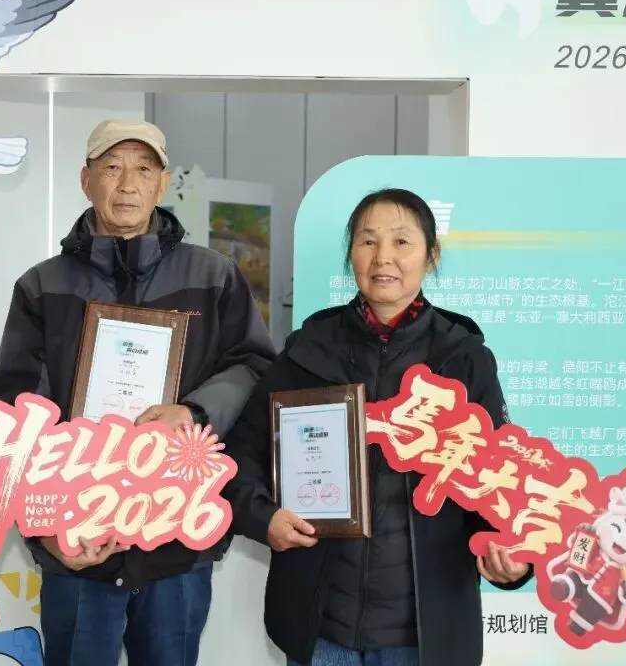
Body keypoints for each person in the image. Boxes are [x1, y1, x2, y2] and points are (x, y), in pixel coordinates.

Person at [0, 118, 276, 666]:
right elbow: (15, 413)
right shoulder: (42, 286)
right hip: (78, 542)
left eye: (143, 169)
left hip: (176, 541)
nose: (127, 184)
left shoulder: (214, 276)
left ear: (162, 184)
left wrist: (193, 412)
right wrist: (47, 530)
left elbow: (255, 364)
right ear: (86, 180)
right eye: (112, 166)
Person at [221, 188, 533, 666]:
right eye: (368, 241)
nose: (383, 256)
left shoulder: (464, 359)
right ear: (351, 254)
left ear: (431, 256)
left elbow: (498, 477)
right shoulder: (309, 350)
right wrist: (264, 518)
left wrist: (509, 552)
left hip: (424, 632)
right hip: (322, 624)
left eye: (401, 241)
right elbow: (243, 451)